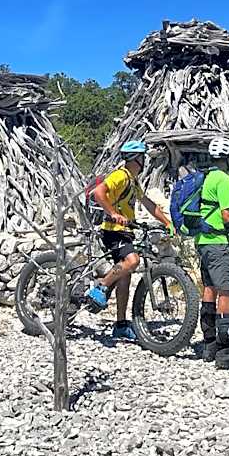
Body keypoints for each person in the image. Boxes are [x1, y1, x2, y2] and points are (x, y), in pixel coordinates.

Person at [85, 140, 172, 340]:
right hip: (113, 230)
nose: (145, 162)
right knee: (132, 261)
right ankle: (102, 286)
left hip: (125, 231)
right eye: (142, 158)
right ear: (136, 159)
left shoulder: (132, 181)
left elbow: (149, 204)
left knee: (125, 277)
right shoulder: (120, 176)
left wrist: (167, 223)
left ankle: (121, 324)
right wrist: (113, 213)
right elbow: (98, 193)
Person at [196, 136, 229, 369]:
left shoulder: (206, 177)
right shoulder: (223, 180)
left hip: (203, 241)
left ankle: (209, 345)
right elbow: (228, 215)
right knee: (226, 291)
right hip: (219, 242)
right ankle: (225, 352)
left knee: (209, 288)